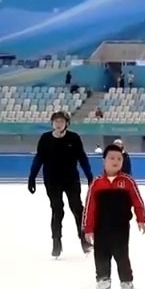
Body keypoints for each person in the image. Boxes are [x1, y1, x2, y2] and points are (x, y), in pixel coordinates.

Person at [83, 146, 145, 289]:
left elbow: (137, 201)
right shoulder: (97, 183)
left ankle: (127, 286)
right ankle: (103, 286)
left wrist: (141, 219)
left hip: (121, 229)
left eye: (119, 159)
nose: (116, 161)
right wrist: (88, 228)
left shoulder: (128, 182)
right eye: (112, 158)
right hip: (101, 228)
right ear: (104, 161)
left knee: (122, 257)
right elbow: (89, 207)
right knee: (101, 257)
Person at [28, 110, 95, 258]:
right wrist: (32, 176)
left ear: (67, 123)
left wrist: (89, 176)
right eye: (56, 121)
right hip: (52, 180)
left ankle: (84, 241)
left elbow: (82, 158)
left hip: (71, 179)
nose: (58, 124)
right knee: (57, 210)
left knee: (77, 208)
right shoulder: (45, 138)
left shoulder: (74, 138)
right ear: (52, 123)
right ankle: (56, 243)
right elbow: (39, 159)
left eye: (62, 121)